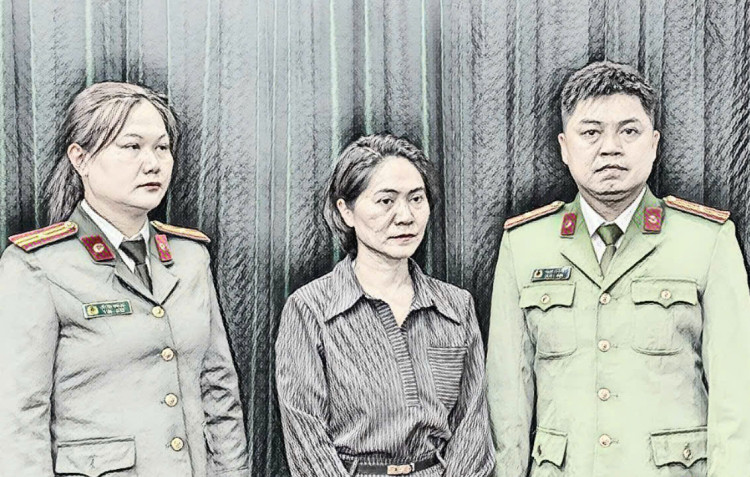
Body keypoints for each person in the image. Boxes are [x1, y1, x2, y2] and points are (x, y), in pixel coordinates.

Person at [486, 61, 750, 476]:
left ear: (654, 144)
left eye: (629, 131)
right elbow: (508, 403)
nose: (610, 147)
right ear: (564, 147)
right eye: (591, 132)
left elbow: (737, 399)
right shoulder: (525, 245)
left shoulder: (707, 241)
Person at [0, 82, 250, 477]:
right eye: (131, 146)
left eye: (162, 147)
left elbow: (219, 392)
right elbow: (18, 418)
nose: (152, 163)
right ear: (80, 158)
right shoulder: (37, 265)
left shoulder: (190, 257)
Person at [276, 133, 494, 476]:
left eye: (416, 199)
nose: (405, 216)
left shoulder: (456, 307)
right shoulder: (310, 309)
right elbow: (308, 443)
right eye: (385, 201)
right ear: (346, 211)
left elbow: (472, 429)